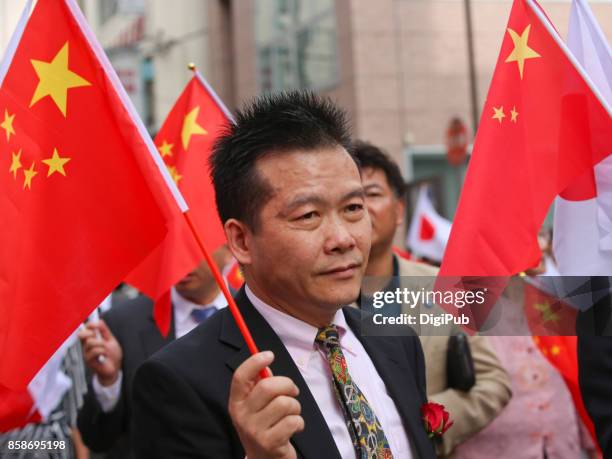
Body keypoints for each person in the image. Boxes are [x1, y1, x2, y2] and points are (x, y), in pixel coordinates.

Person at [131, 91, 436, 459]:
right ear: (241, 240)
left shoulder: (397, 342)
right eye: (308, 215)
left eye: (353, 208)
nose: (342, 238)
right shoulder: (181, 382)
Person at [352, 141, 512, 457]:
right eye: (349, 200)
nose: (361, 208)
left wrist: (429, 422)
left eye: (371, 194)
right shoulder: (313, 298)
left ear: (399, 210)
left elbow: (494, 382)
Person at [77, 255, 227, 459]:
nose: (181, 256)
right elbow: (97, 438)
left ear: (230, 246)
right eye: (173, 243)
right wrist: (109, 382)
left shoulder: (253, 318)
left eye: (192, 247)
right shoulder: (122, 323)